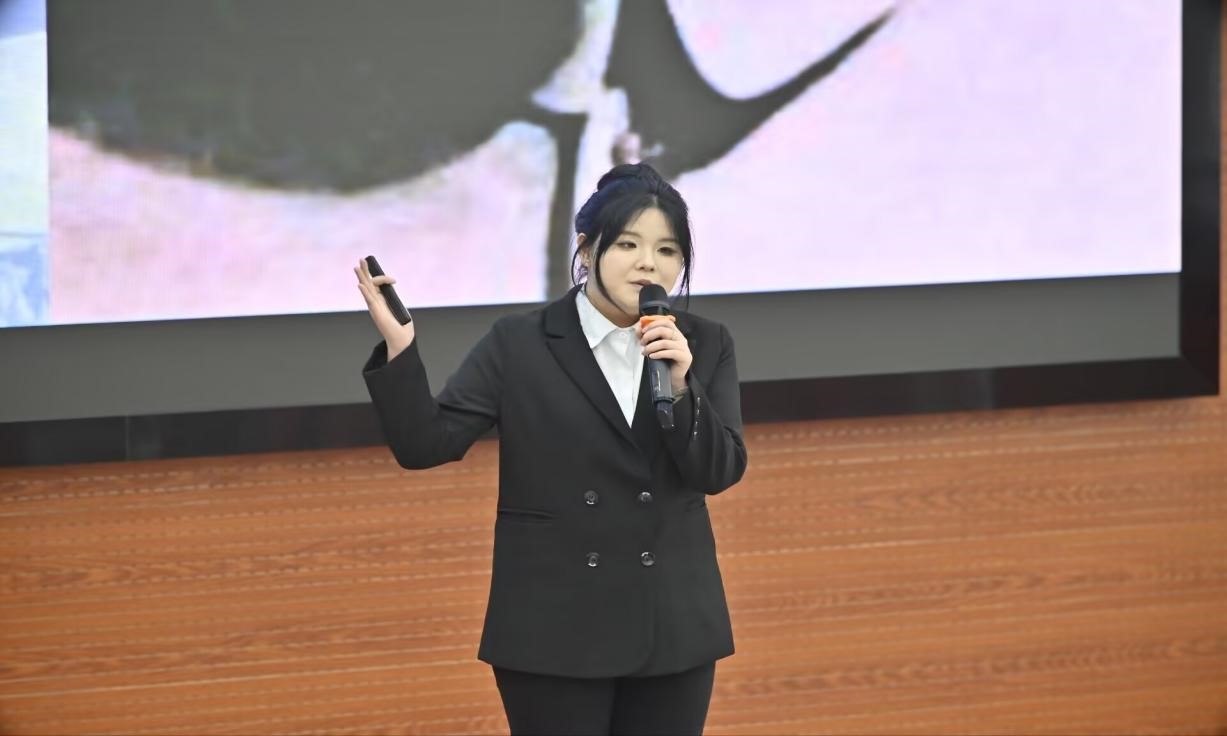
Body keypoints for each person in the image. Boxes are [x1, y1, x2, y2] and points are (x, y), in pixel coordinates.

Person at [355, 163, 747, 736]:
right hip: (554, 627)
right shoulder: (519, 342)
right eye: (629, 244)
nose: (649, 263)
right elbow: (425, 443)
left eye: (667, 250)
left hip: (672, 624)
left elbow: (719, 471)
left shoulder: (703, 343)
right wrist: (400, 347)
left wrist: (684, 384)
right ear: (586, 249)